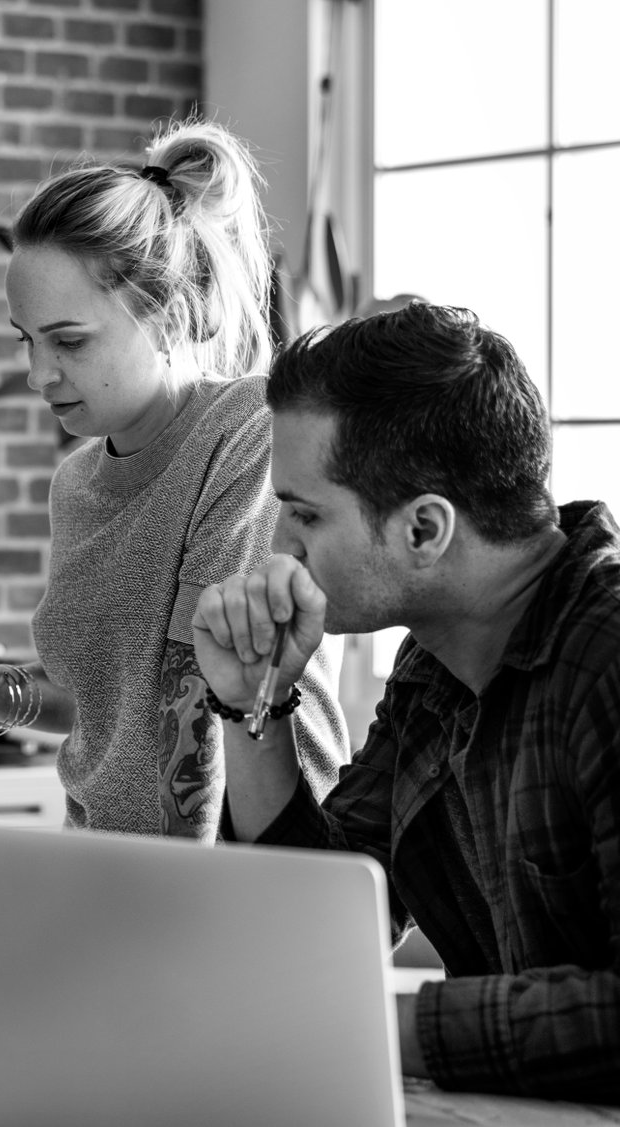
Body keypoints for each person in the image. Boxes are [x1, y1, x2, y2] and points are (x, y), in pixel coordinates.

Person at [192, 302, 620, 1102]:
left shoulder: (604, 659)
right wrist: (256, 701)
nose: (280, 545)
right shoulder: (434, 662)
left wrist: (367, 1026)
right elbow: (318, 928)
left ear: (425, 529)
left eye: (306, 511)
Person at [0, 119, 348, 841]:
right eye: (26, 341)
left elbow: (202, 707)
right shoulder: (78, 484)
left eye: (68, 341)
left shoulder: (248, 427)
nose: (38, 374)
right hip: (116, 875)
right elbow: (105, 706)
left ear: (169, 317)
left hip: (245, 878)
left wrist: (151, 909)